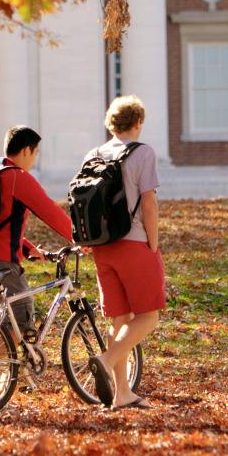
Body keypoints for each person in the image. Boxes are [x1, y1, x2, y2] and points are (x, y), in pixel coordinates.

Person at [85, 95, 163, 412]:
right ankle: (105, 361)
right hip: (134, 243)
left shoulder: (94, 154)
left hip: (102, 247)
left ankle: (122, 394)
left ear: (111, 123)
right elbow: (149, 203)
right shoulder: (143, 153)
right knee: (148, 317)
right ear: (138, 122)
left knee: (120, 320)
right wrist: (153, 243)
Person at [0, 125, 74, 338]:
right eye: (35, 153)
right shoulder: (17, 177)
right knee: (18, 330)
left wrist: (28, 249)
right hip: (0, 265)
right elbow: (49, 211)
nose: (35, 159)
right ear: (26, 151)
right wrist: (79, 238)